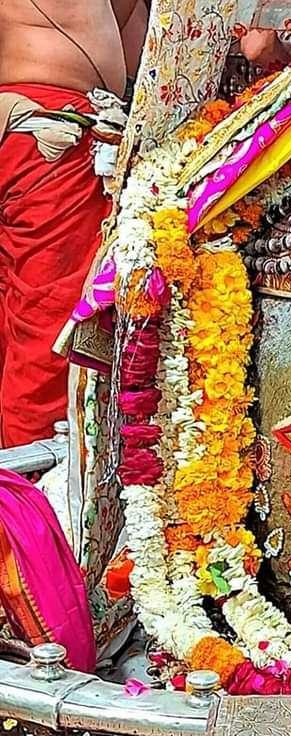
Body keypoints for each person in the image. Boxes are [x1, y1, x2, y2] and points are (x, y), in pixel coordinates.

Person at [0, 0, 148, 448]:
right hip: (41, 135)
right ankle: (26, 503)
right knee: (48, 335)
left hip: (67, 133)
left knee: (36, 329)